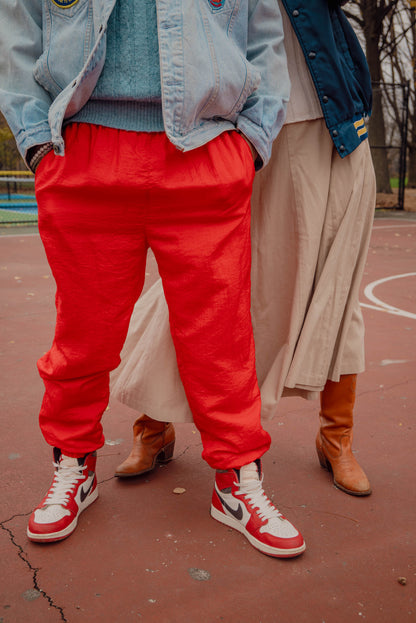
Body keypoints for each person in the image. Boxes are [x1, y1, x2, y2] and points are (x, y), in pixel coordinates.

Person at [0, 0, 308, 558]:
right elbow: (17, 25)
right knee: (84, 335)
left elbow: (265, 32)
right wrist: (38, 144)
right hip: (84, 145)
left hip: (206, 151)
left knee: (221, 340)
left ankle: (237, 477)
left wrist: (251, 141)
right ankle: (75, 463)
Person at [112, 0, 375, 497]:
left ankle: (336, 436)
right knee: (198, 275)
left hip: (334, 120)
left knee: (337, 282)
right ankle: (154, 423)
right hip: (238, 126)